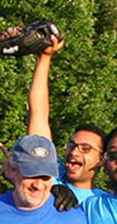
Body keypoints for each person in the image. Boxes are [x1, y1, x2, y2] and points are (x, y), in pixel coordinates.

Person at [25, 31, 105, 201]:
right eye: (72, 145)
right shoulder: (49, 179)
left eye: (86, 148)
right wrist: (45, 58)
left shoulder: (103, 203)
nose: (74, 151)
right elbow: (38, 115)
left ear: (101, 159)